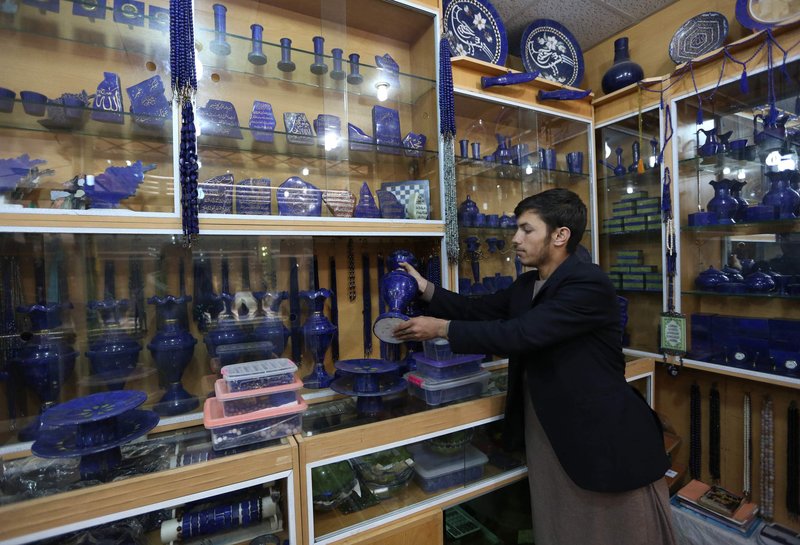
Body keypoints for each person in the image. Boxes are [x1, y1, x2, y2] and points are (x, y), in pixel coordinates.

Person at [394, 188, 675, 545]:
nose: (515, 239)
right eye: (516, 229)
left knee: (612, 525)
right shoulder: (528, 284)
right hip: (548, 425)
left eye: (527, 230)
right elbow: (479, 311)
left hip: (597, 431)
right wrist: (426, 289)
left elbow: (522, 334)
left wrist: (440, 328)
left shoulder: (589, 283)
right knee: (561, 520)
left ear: (560, 235)